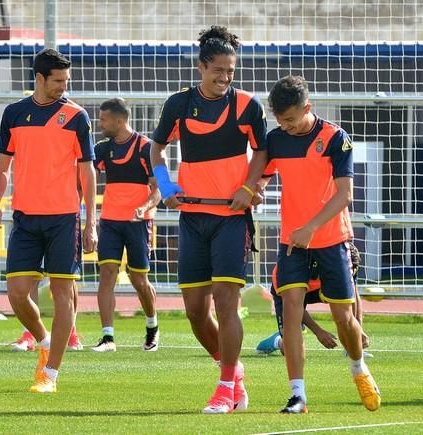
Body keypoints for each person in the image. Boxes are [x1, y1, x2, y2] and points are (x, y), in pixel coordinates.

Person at [150, 26, 268, 413]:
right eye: (218, 70)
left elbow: (265, 156)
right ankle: (233, 372)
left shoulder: (249, 106)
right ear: (201, 67)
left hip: (232, 220)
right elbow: (156, 150)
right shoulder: (178, 104)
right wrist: (166, 187)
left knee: (226, 303)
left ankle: (224, 389)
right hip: (192, 218)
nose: (225, 78)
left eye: (231, 71)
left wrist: (250, 188)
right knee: (195, 312)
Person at [263, 75, 380, 413]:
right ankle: (298, 395)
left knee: (344, 317)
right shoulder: (276, 140)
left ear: (307, 109)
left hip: (331, 240)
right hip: (292, 243)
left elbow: (345, 195)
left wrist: (311, 228)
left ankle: (359, 368)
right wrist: (252, 189)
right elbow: (260, 175)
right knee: (291, 315)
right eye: (279, 120)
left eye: (290, 119)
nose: (285, 126)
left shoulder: (335, 138)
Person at [0, 48, 97, 393]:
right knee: (17, 293)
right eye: (57, 81)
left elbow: (87, 171)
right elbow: (3, 167)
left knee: (63, 293)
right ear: (39, 79)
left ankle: (50, 375)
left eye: (67, 81)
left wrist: (90, 221)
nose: (64, 87)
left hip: (64, 219)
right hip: (25, 217)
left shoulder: (77, 117)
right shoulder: (15, 113)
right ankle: (44, 340)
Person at [90, 98, 161, 352]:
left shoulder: (145, 147)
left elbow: (158, 189)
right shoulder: (101, 149)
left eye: (103, 119)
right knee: (106, 274)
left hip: (138, 223)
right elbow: (84, 174)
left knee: (138, 279)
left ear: (119, 121)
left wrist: (144, 208)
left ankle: (152, 328)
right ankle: (108, 337)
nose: (100, 124)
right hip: (110, 221)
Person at [256, 242, 372, 355]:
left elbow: (352, 296)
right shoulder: (300, 267)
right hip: (287, 294)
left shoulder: (348, 266)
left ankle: (351, 353)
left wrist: (358, 330)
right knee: (290, 348)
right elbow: (294, 303)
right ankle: (278, 341)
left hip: (318, 289)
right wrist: (318, 331)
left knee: (342, 300)